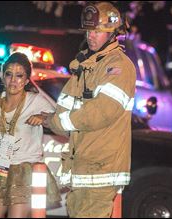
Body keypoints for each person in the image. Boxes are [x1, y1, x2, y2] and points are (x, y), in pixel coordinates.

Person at [42, 2, 136, 218]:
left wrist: (55, 122)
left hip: (101, 167)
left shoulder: (118, 67)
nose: (91, 36)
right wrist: (51, 118)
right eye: (88, 31)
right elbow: (65, 104)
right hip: (83, 164)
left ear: (112, 32)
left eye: (97, 31)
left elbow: (100, 112)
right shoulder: (86, 65)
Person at [0, 52, 61, 218]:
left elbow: (59, 122)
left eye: (19, 75)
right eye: (9, 74)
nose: (13, 80)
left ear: (27, 80)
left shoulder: (36, 101)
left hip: (24, 171)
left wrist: (43, 118)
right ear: (2, 76)